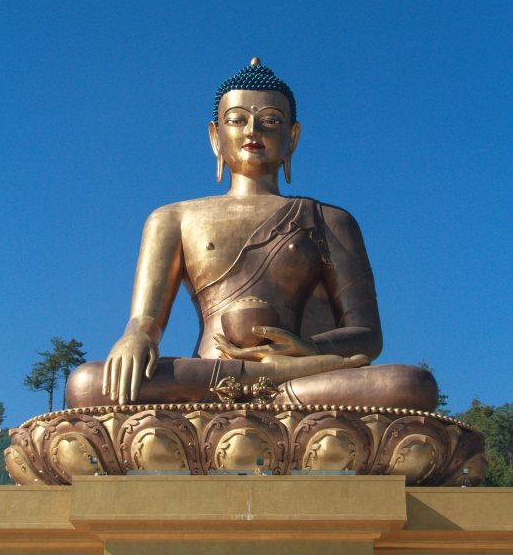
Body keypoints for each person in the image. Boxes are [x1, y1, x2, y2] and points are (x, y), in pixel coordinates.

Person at [66, 58, 437, 411]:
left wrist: (304, 347)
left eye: (270, 121)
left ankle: (268, 383)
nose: (252, 132)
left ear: (293, 137)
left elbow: (367, 335)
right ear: (215, 136)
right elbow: (144, 322)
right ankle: (265, 381)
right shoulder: (172, 218)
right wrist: (135, 338)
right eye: (237, 120)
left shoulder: (329, 220)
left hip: (302, 374)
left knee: (409, 385)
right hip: (214, 373)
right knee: (87, 384)